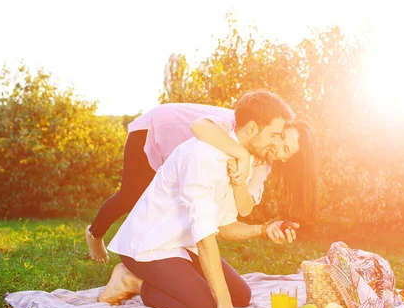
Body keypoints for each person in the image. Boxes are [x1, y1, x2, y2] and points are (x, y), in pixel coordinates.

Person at [97, 91, 298, 308]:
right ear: (253, 128)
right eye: (274, 135)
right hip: (149, 246)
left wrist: (264, 229)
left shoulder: (240, 164)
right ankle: (132, 281)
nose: (276, 144)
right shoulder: (203, 156)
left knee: (241, 296)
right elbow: (204, 238)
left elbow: (223, 226)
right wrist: (223, 306)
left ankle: (169, 281)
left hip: (180, 245)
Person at [86, 92, 317, 262]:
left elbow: (245, 208)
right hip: (158, 127)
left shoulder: (263, 163)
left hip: (181, 153)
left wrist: (241, 185)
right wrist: (241, 156)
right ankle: (95, 234)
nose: (277, 145)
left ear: (286, 161)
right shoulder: (239, 125)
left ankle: (155, 254)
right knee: (132, 195)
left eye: (285, 150)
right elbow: (199, 126)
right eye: (281, 136)